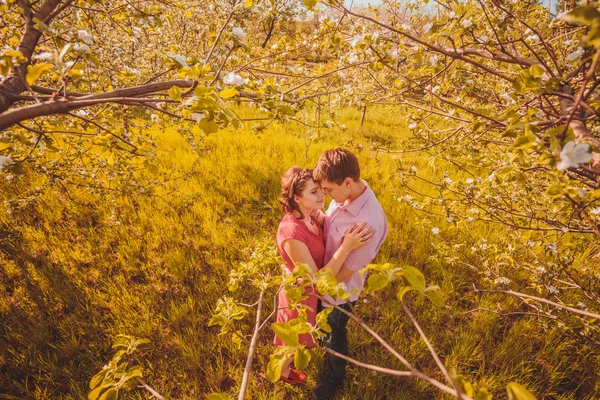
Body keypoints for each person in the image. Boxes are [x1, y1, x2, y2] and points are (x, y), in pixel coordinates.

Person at [275, 166, 374, 384]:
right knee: (293, 342)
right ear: (296, 198)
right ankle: (281, 373)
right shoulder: (292, 233)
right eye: (313, 192)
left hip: (311, 295)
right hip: (299, 294)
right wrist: (346, 246)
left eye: (320, 189)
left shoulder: (310, 215)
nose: (322, 195)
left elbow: (329, 222)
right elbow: (317, 280)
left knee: (306, 336)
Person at [310, 148, 388, 400]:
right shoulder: (344, 195)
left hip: (338, 292)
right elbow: (332, 223)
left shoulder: (367, 224)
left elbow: (343, 273)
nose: (327, 195)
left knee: (335, 332)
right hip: (325, 276)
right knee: (324, 328)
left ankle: (334, 377)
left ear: (347, 182)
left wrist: (318, 285)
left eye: (329, 190)